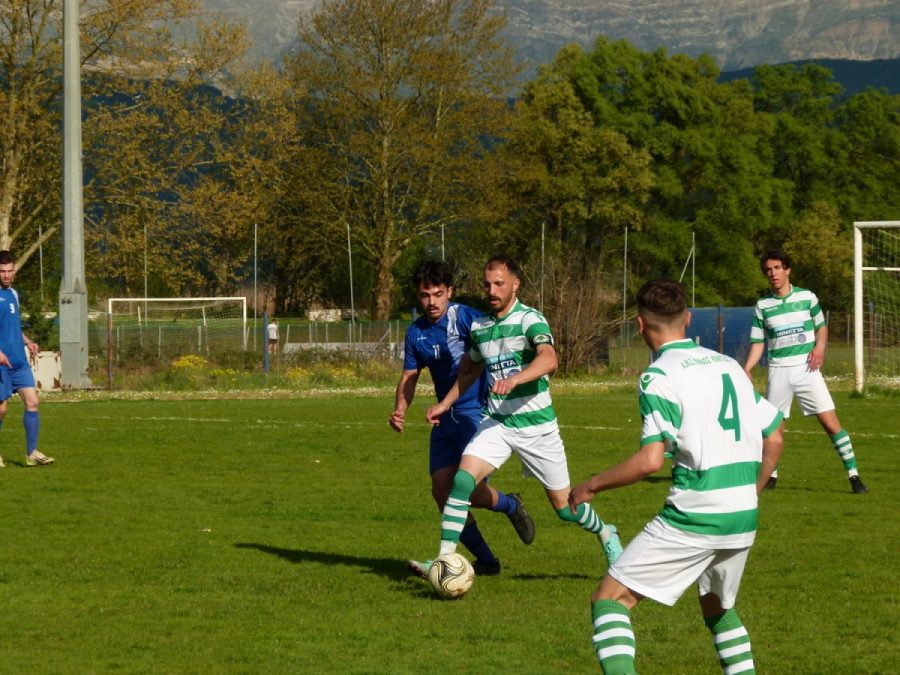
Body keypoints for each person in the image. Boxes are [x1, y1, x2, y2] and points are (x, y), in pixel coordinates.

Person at [570, 279, 784, 674]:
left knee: (610, 599)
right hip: (742, 513)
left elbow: (651, 460)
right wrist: (752, 488)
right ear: (687, 318)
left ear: (639, 325)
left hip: (696, 512)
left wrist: (592, 483)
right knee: (718, 609)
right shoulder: (729, 366)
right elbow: (774, 434)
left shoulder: (658, 377)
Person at [408, 256, 622, 579]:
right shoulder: (480, 328)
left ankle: (606, 532)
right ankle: (443, 563)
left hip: (537, 428)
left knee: (565, 508)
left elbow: (549, 359)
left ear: (515, 285)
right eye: (487, 284)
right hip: (498, 423)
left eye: (499, 284)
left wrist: (516, 378)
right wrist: (445, 403)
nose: (492, 291)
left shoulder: (529, 319)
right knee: (461, 482)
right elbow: (469, 371)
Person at [392, 261, 535, 577]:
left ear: (450, 292)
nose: (432, 302)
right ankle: (487, 561)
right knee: (441, 493)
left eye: (438, 294)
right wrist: (401, 408)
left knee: (466, 488)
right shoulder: (416, 332)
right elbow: (410, 375)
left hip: (477, 413)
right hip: (445, 418)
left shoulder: (468, 318)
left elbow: (498, 346)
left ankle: (510, 505)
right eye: (425, 295)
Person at [743, 250, 868, 494]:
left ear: (787, 270)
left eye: (777, 268)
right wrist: (747, 367)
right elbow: (758, 342)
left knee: (831, 424)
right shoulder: (763, 306)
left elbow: (821, 328)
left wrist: (819, 348)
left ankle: (854, 476)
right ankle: (771, 477)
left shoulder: (807, 297)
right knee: (773, 428)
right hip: (778, 371)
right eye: (768, 270)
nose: (773, 274)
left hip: (806, 369)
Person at [0, 250, 53, 467]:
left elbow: (15, 326)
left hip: (19, 361)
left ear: (14, 271)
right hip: (2, 363)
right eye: (2, 271)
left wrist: (28, 341)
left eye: (9, 271)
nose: (6, 275)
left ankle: (32, 454)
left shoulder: (14, 294)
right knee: (1, 409)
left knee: (33, 401)